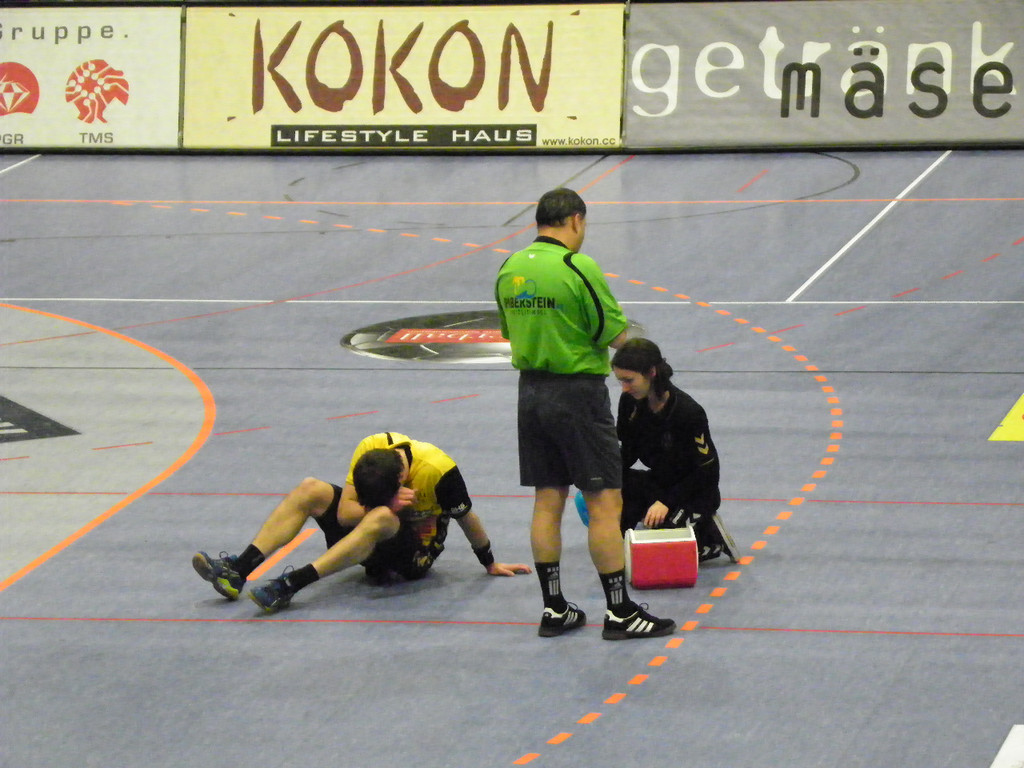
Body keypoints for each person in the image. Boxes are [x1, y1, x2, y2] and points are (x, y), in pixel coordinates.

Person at [494, 187, 675, 641]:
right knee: (604, 502)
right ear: (576, 220)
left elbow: (509, 330)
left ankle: (554, 608)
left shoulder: (509, 267)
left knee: (547, 499)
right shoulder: (577, 266)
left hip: (530, 393)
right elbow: (614, 334)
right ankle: (619, 612)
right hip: (577, 394)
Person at [192, 431, 531, 613]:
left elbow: (466, 517)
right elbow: (344, 514)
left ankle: (291, 584)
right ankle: (239, 570)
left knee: (381, 516)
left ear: (403, 478)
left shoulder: (438, 470)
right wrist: (386, 503)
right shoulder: (370, 448)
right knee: (311, 488)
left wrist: (489, 562)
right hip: (369, 531)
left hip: (413, 554)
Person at [612, 338, 737, 563]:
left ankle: (710, 537)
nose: (624, 388)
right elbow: (628, 451)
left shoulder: (688, 412)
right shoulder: (629, 402)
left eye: (629, 380)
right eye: (620, 381)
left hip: (694, 491)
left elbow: (708, 472)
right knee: (607, 492)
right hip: (659, 482)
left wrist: (667, 501)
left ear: (651, 372)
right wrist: (606, 478)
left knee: (667, 545)